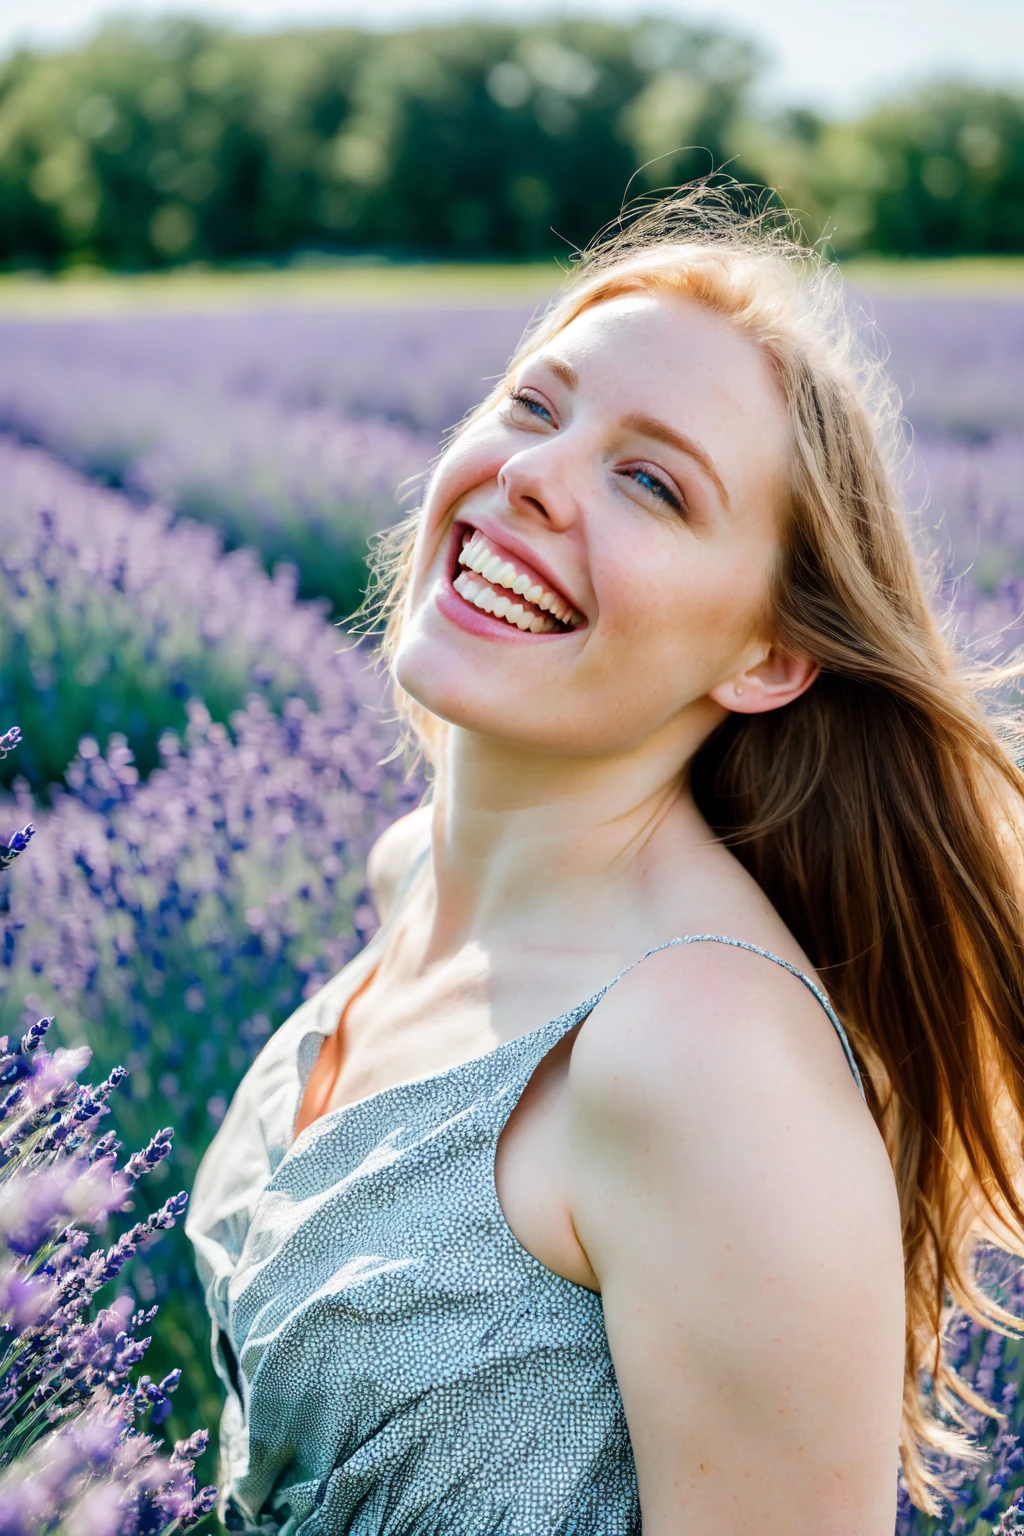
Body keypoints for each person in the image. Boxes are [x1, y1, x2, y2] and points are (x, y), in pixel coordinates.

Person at [186, 188, 1024, 1536]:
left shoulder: (701, 1053)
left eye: (652, 481)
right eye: (534, 406)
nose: (533, 473)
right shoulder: (409, 880)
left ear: (767, 655)